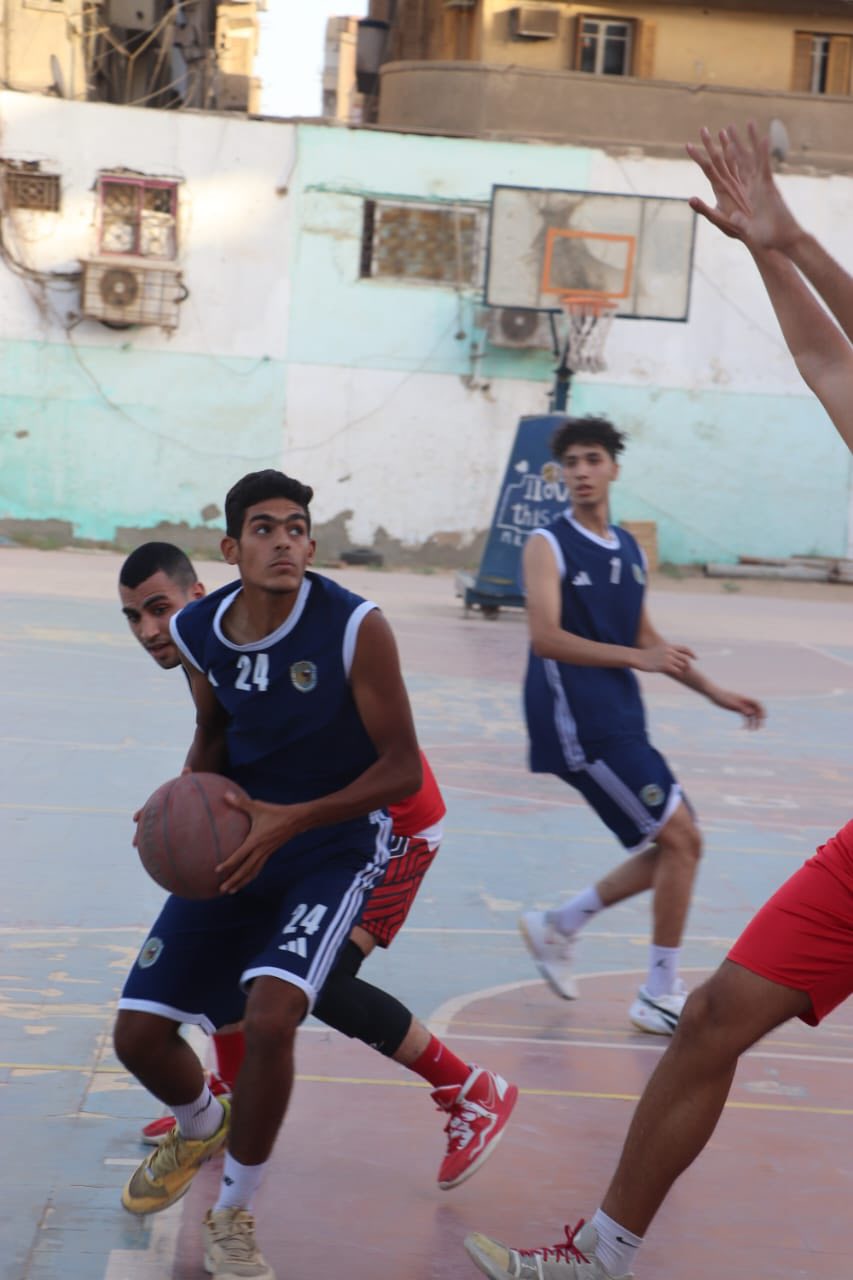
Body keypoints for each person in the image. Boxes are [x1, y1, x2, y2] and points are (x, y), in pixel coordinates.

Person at [462, 122, 853, 1280]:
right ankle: (600, 1252)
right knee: (714, 1018)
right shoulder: (560, 540)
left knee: (679, 854)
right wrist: (772, 245)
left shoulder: (619, 541)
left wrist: (795, 241)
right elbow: (827, 364)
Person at [112, 472, 512, 1280]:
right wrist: (179, 806)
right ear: (231, 549)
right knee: (138, 1035)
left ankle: (235, 1214)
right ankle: (205, 1124)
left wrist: (290, 819)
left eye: (296, 528)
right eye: (265, 529)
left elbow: (402, 772)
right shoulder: (200, 632)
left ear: (311, 543)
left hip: (347, 839)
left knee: (282, 1005)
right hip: (249, 833)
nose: (284, 541)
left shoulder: (355, 627)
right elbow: (213, 731)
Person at [518, 415, 764, 1033]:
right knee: (682, 839)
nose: (581, 472)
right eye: (571, 462)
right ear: (562, 474)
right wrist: (637, 658)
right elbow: (546, 638)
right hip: (575, 720)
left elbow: (645, 637)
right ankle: (658, 991)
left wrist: (713, 691)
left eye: (592, 460)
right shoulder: (547, 543)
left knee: (680, 842)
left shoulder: (628, 548)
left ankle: (559, 926)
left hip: (620, 714)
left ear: (614, 469)